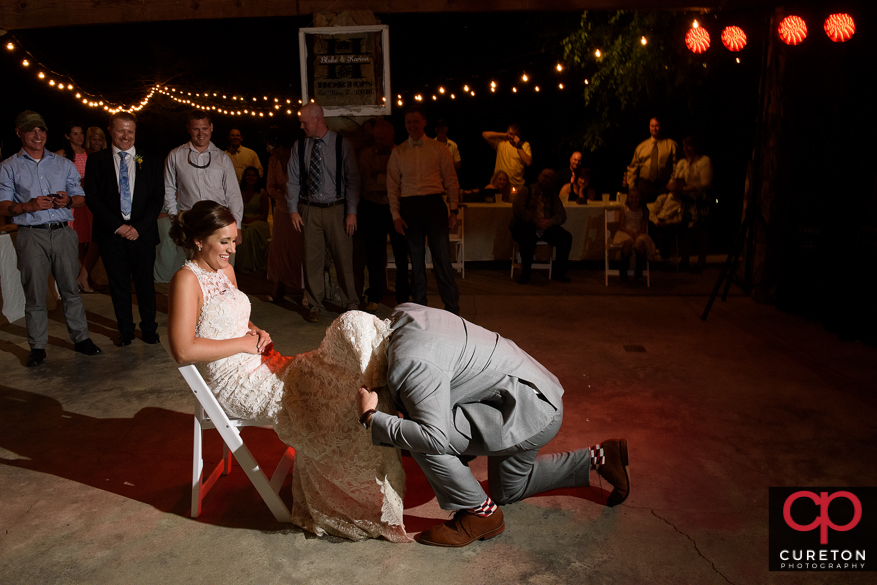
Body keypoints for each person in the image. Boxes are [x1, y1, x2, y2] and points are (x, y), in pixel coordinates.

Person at [166, 201, 410, 542]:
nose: (233, 249)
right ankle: (349, 497)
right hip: (235, 383)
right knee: (332, 397)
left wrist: (256, 331)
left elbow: (238, 320)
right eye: (225, 242)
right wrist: (241, 345)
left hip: (258, 360)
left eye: (234, 240)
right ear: (198, 241)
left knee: (338, 377)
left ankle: (383, 429)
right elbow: (183, 349)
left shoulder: (227, 272)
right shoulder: (186, 280)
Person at [356, 303, 631, 547]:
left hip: (529, 412)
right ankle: (602, 457)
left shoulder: (410, 363)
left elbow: (434, 438)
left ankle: (480, 514)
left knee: (421, 438)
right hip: (530, 394)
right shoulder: (404, 314)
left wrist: (371, 417)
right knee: (509, 490)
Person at [0, 110, 102, 367]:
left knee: (70, 289)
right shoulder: (9, 166)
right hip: (30, 235)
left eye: (41, 130)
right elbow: (3, 206)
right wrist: (29, 205)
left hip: (62, 232)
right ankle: (37, 346)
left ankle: (82, 339)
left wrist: (68, 200)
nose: (37, 135)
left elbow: (80, 199)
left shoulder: (63, 164)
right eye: (31, 130)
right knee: (34, 293)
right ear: (19, 133)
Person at [84, 112, 163, 346]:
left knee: (145, 284)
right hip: (111, 234)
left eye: (130, 131)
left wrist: (138, 228)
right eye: (121, 130)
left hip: (142, 234)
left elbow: (157, 198)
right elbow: (93, 198)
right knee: (117, 284)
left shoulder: (150, 160)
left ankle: (149, 329)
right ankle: (125, 330)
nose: (126, 135)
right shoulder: (96, 161)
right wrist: (118, 227)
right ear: (110, 130)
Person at [286, 103, 360, 323]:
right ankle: (315, 303)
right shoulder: (300, 146)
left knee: (343, 258)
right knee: (312, 260)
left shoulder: (341, 144)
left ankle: (351, 303)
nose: (301, 126)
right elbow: (292, 181)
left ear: (317, 119)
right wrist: (293, 209)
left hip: (336, 209)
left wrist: (352, 211)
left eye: (304, 122)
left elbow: (353, 180)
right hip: (310, 209)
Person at [387, 105, 461, 315]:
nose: (412, 125)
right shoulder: (399, 151)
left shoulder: (439, 148)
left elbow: (451, 180)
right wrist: (396, 215)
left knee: (442, 260)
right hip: (410, 206)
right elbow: (392, 186)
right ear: (405, 124)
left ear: (424, 122)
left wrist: (453, 209)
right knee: (416, 262)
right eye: (409, 122)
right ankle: (420, 310)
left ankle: (452, 309)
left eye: (416, 121)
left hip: (433, 205)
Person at [160, 111, 243, 280]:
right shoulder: (176, 155)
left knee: (220, 269)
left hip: (218, 221)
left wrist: (238, 225)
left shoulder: (222, 158)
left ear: (211, 128)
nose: (201, 133)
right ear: (188, 129)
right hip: (190, 222)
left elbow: (233, 193)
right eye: (196, 129)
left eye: (204, 128)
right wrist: (175, 218)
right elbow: (168, 189)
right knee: (193, 269)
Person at [357, 119, 409, 312]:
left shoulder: (402, 154)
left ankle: (403, 296)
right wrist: (388, 182)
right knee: (374, 255)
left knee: (401, 254)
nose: (378, 141)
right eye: (376, 137)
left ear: (392, 136)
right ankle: (374, 295)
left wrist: (379, 178)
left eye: (382, 138)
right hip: (372, 209)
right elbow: (366, 184)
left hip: (397, 209)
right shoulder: (365, 155)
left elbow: (403, 183)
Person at [510, 169, 572, 284]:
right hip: (527, 224)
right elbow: (518, 209)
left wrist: (550, 222)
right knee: (527, 236)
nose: (547, 180)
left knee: (566, 237)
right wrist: (535, 221)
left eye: (551, 179)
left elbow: (562, 215)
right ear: (539, 176)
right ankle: (526, 273)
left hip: (545, 226)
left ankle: (559, 272)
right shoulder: (526, 191)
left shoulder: (553, 196)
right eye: (545, 176)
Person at [56, 121, 98, 292]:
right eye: (75, 133)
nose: (80, 137)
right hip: (73, 202)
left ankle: (84, 275)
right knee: (78, 242)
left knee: (94, 241)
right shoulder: (61, 154)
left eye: (81, 133)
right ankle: (80, 279)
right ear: (67, 136)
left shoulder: (90, 154)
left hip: (89, 201)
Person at [264, 131, 304, 303]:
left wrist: (290, 196)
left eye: (271, 147)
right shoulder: (273, 161)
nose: (268, 151)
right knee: (279, 247)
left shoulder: (299, 159)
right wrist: (286, 196)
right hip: (281, 210)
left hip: (300, 211)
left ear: (280, 147)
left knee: (299, 249)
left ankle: (305, 288)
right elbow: (270, 187)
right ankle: (278, 284)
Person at [669, 135, 713, 270]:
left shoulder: (704, 160)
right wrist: (674, 187)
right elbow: (676, 179)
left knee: (700, 230)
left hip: (699, 201)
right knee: (684, 230)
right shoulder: (682, 162)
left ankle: (701, 260)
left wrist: (687, 188)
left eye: (688, 146)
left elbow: (706, 183)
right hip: (685, 201)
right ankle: (685, 259)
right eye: (684, 146)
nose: (686, 149)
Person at [626, 117, 678, 202]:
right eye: (652, 126)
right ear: (649, 127)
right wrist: (631, 187)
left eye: (656, 126)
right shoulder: (641, 147)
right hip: (644, 186)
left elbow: (676, 166)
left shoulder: (671, 145)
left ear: (661, 126)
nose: (654, 128)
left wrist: (672, 182)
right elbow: (633, 168)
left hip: (663, 185)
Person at [611, 186, 654, 282]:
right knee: (627, 242)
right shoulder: (625, 209)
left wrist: (637, 233)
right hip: (626, 231)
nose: (633, 199)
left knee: (641, 243)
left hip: (638, 232)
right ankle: (624, 270)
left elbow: (643, 227)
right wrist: (630, 232)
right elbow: (621, 225)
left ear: (640, 198)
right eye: (631, 197)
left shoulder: (643, 211)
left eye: (636, 197)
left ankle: (639, 271)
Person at [234, 166, 271, 273]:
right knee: (241, 232)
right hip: (243, 220)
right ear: (245, 177)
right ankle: (240, 265)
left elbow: (264, 215)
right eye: (249, 175)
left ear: (257, 178)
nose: (251, 177)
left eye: (254, 175)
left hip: (259, 222)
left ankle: (252, 265)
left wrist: (252, 220)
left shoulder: (262, 193)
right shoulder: (239, 192)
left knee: (249, 232)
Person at [482, 123, 532, 190]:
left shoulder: (525, 145)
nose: (512, 137)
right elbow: (485, 135)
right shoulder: (501, 143)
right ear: (507, 131)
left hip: (516, 186)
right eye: (511, 134)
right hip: (500, 185)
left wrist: (518, 146)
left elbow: (528, 162)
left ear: (519, 134)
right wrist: (503, 134)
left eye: (515, 135)